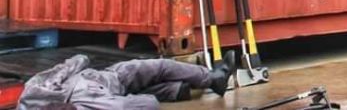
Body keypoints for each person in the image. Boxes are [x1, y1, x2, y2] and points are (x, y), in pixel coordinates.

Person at [18, 51, 235, 109]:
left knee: (148, 81)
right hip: (113, 79)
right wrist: (82, 60)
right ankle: (215, 79)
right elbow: (148, 105)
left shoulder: (32, 92)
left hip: (109, 84)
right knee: (160, 66)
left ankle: (176, 90)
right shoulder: (32, 92)